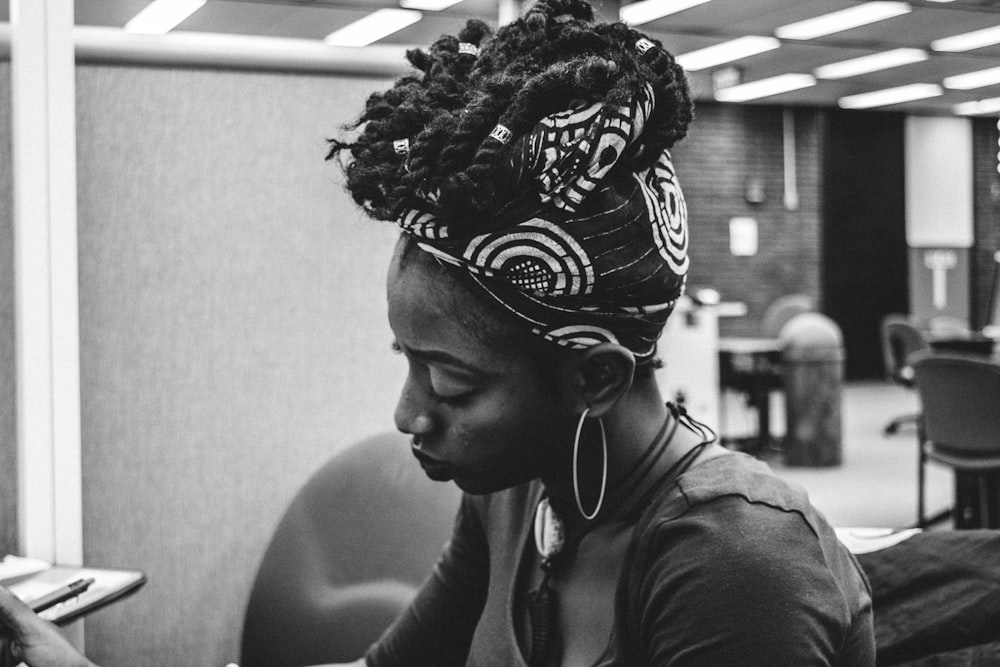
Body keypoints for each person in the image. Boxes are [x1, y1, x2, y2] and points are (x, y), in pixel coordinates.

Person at [0, 1, 874, 664]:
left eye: (452, 382)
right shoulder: (519, 493)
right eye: (408, 364)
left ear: (593, 377)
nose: (409, 412)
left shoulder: (737, 567)